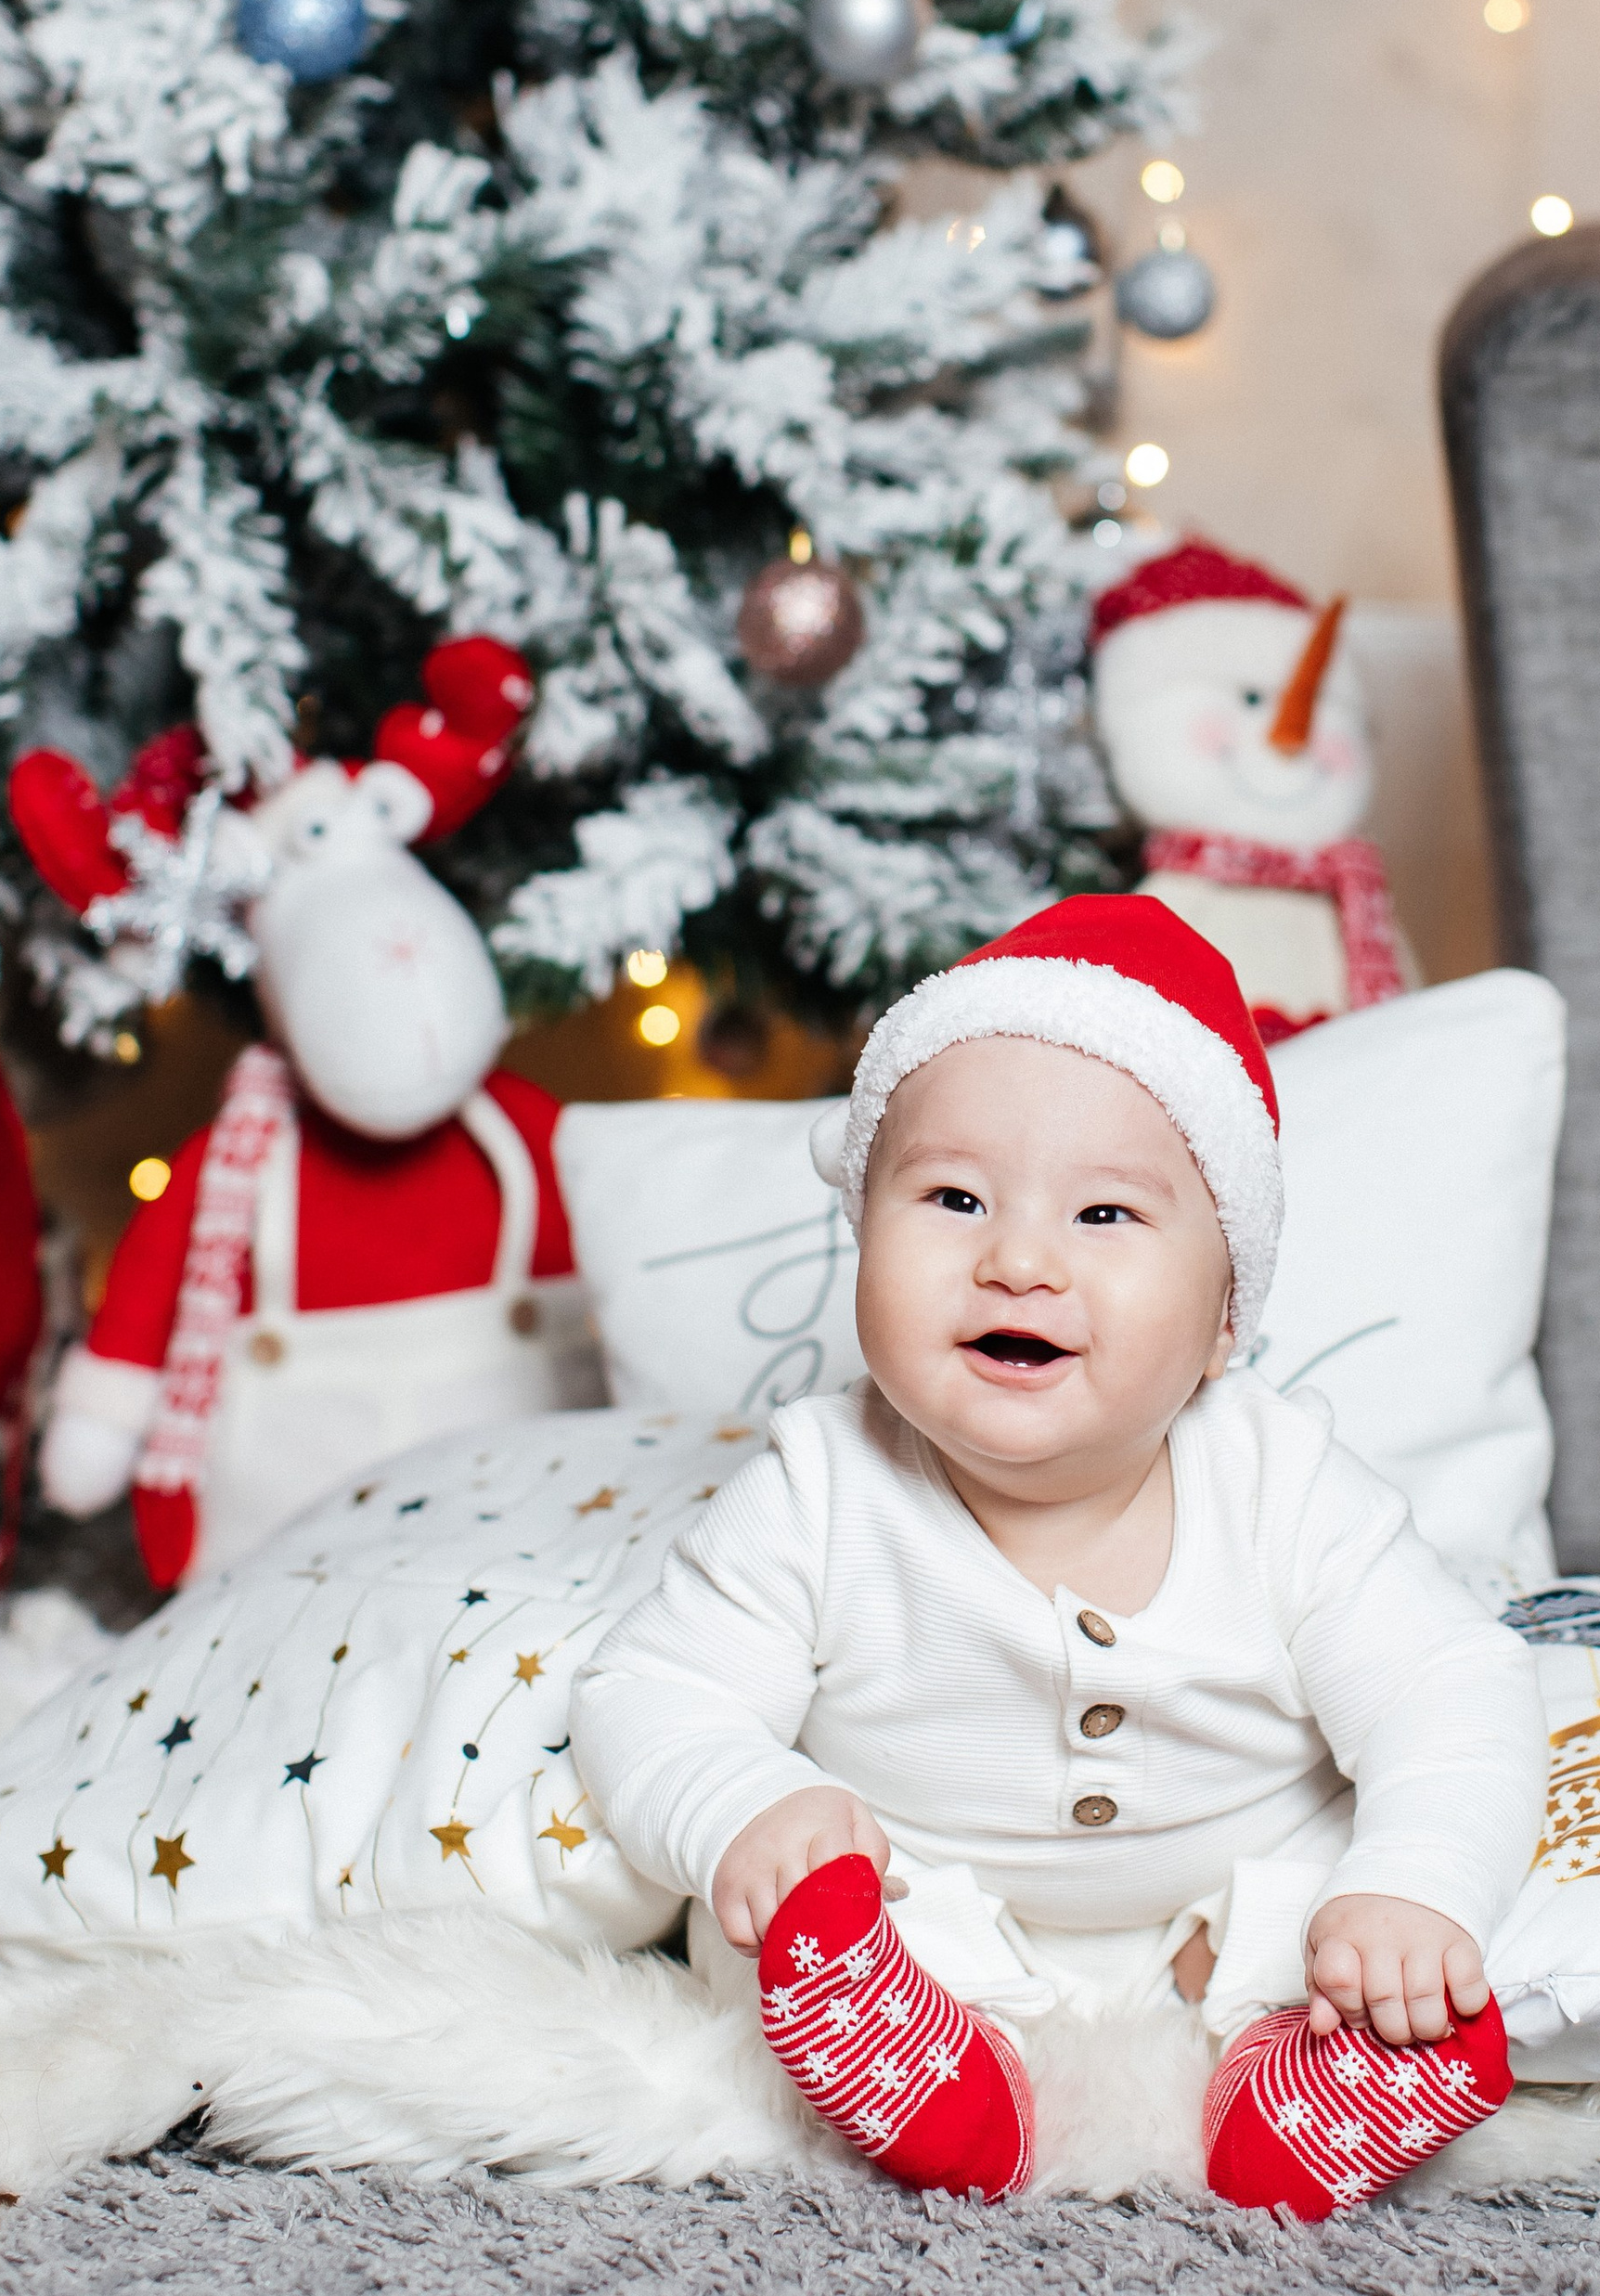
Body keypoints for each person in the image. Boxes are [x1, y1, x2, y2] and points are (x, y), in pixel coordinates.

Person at [571, 894, 1548, 2215]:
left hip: (1228, 1916)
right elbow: (653, 1697)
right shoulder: (817, 1489)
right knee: (766, 1925)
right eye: (955, 1196)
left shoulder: (1282, 1482)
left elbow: (1452, 1689)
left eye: (1104, 1216)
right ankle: (935, 2071)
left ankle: (1311, 2068)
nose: (1019, 1257)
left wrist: (1410, 1886)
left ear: (1222, 1320)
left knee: (1371, 1912)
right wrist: (749, 1805)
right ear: (863, 1236)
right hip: (930, 1927)